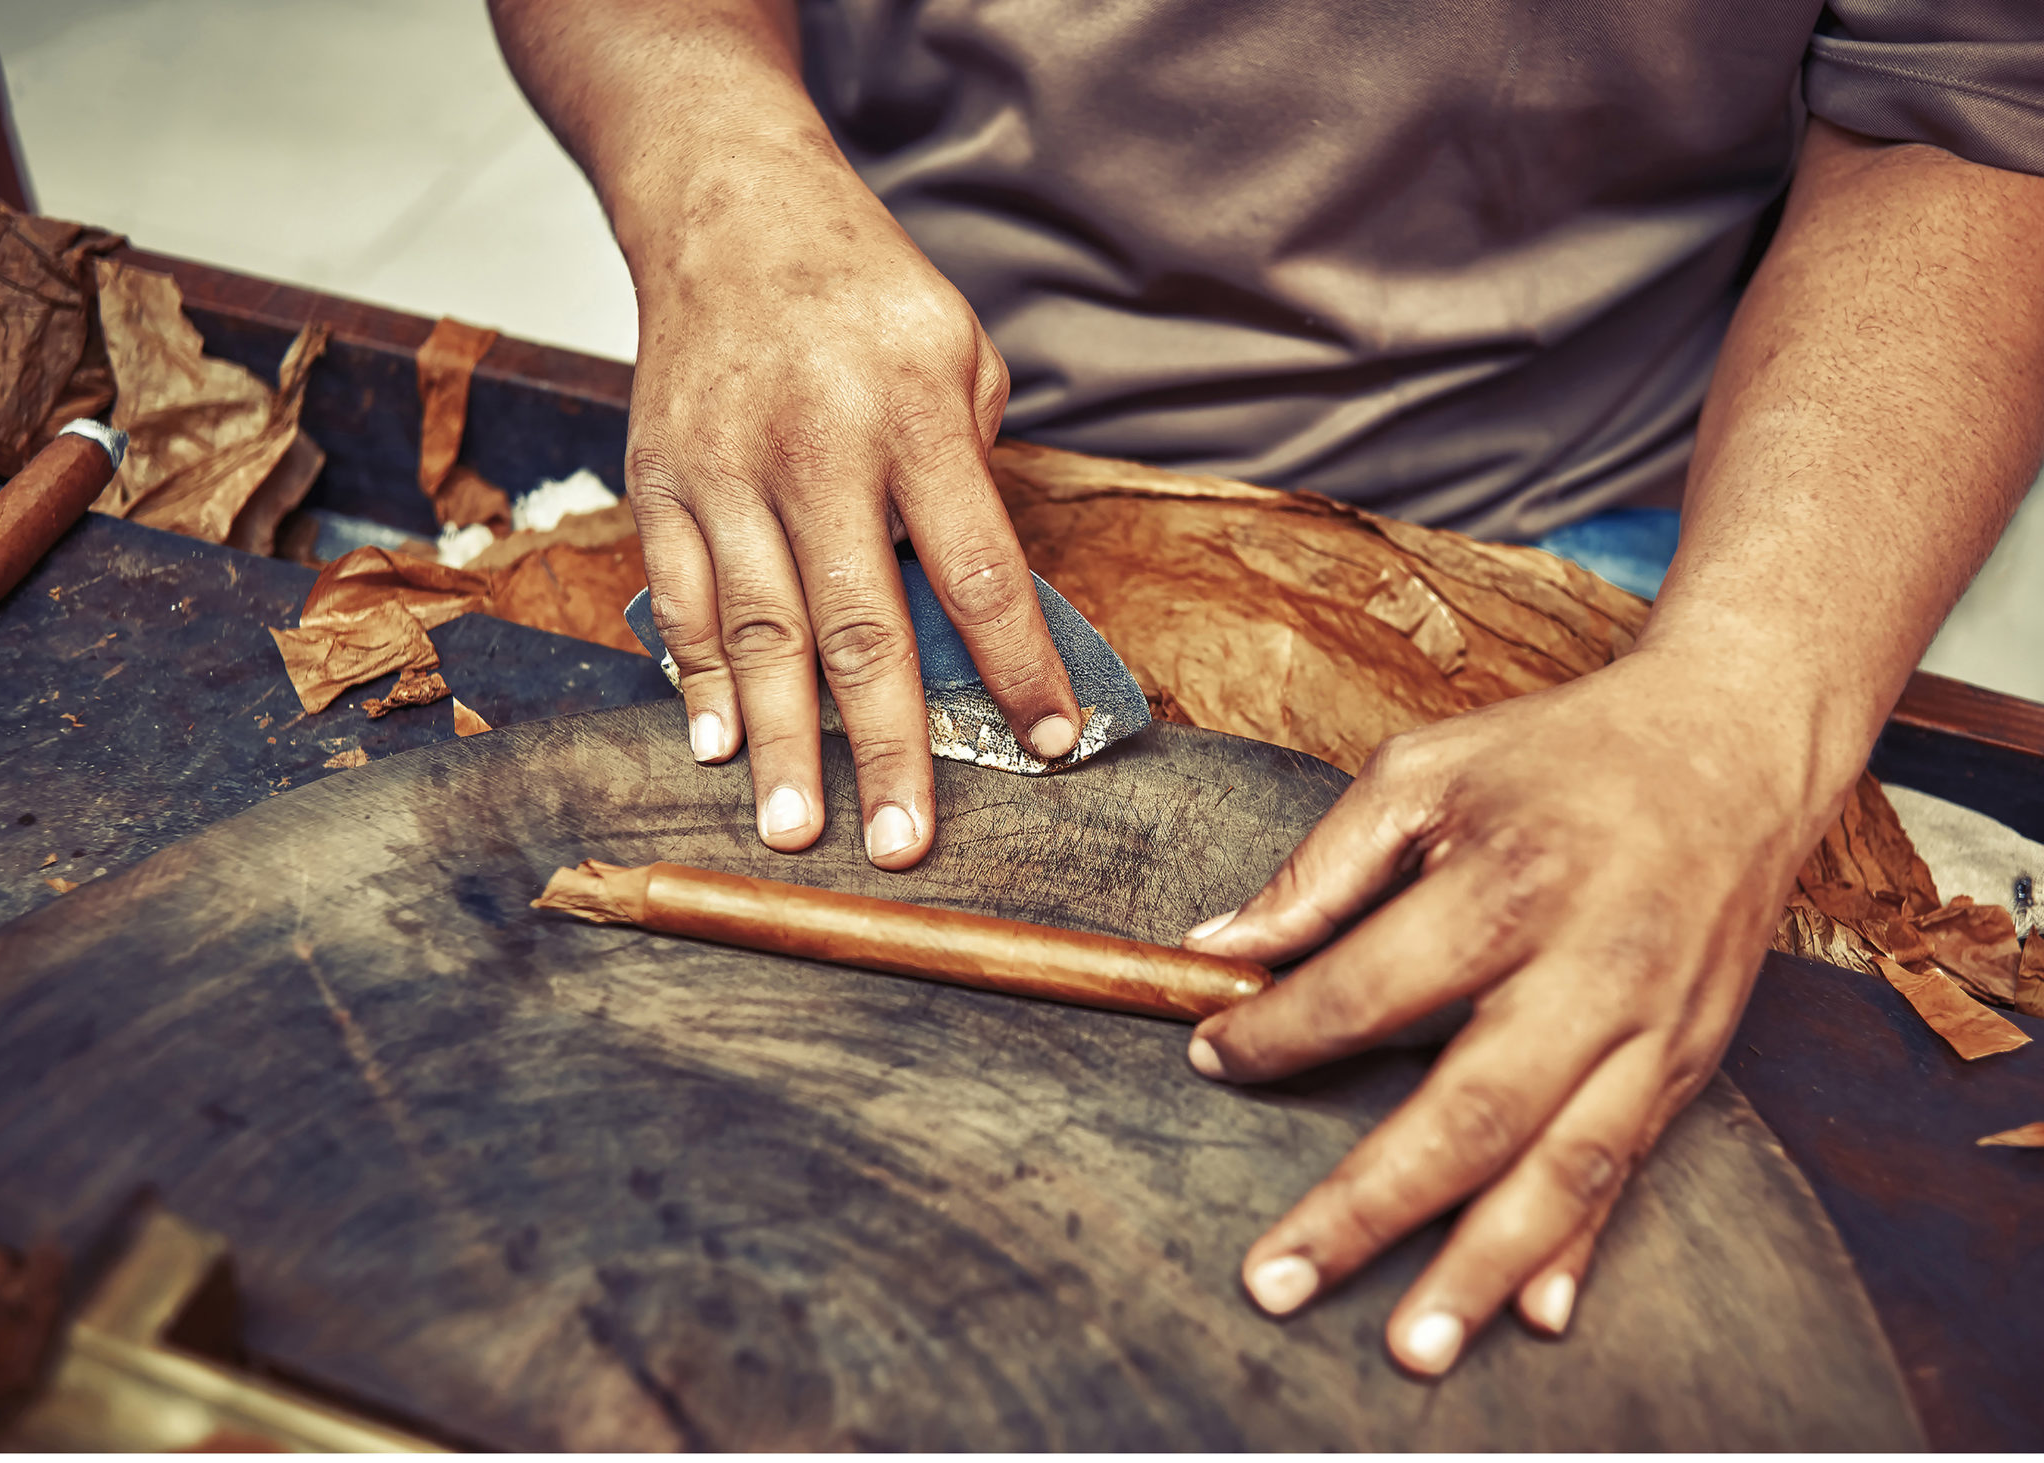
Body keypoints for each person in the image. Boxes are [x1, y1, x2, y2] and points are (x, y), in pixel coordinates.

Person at [489, 0, 2044, 1377]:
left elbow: (1972, 96)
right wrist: (719, 168)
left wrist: (1745, 695)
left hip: (1584, 487)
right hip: (896, 410)